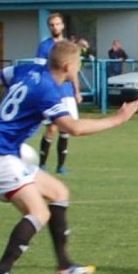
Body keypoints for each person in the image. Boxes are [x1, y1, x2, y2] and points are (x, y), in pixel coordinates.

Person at [0, 41, 138, 274]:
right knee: (38, 213)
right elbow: (73, 128)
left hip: (0, 152)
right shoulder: (48, 91)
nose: (78, 68)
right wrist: (118, 120)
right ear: (66, 65)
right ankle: (0, 272)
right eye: (77, 64)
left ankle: (65, 267)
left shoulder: (28, 70)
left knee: (58, 193)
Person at [35, 12, 80, 175]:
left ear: (63, 25)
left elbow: (74, 71)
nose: (55, 27)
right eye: (52, 25)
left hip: (67, 93)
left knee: (65, 129)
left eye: (57, 24)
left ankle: (61, 166)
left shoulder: (69, 46)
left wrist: (77, 91)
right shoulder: (44, 46)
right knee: (52, 128)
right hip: (52, 92)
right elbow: (39, 69)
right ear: (49, 27)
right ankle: (42, 164)